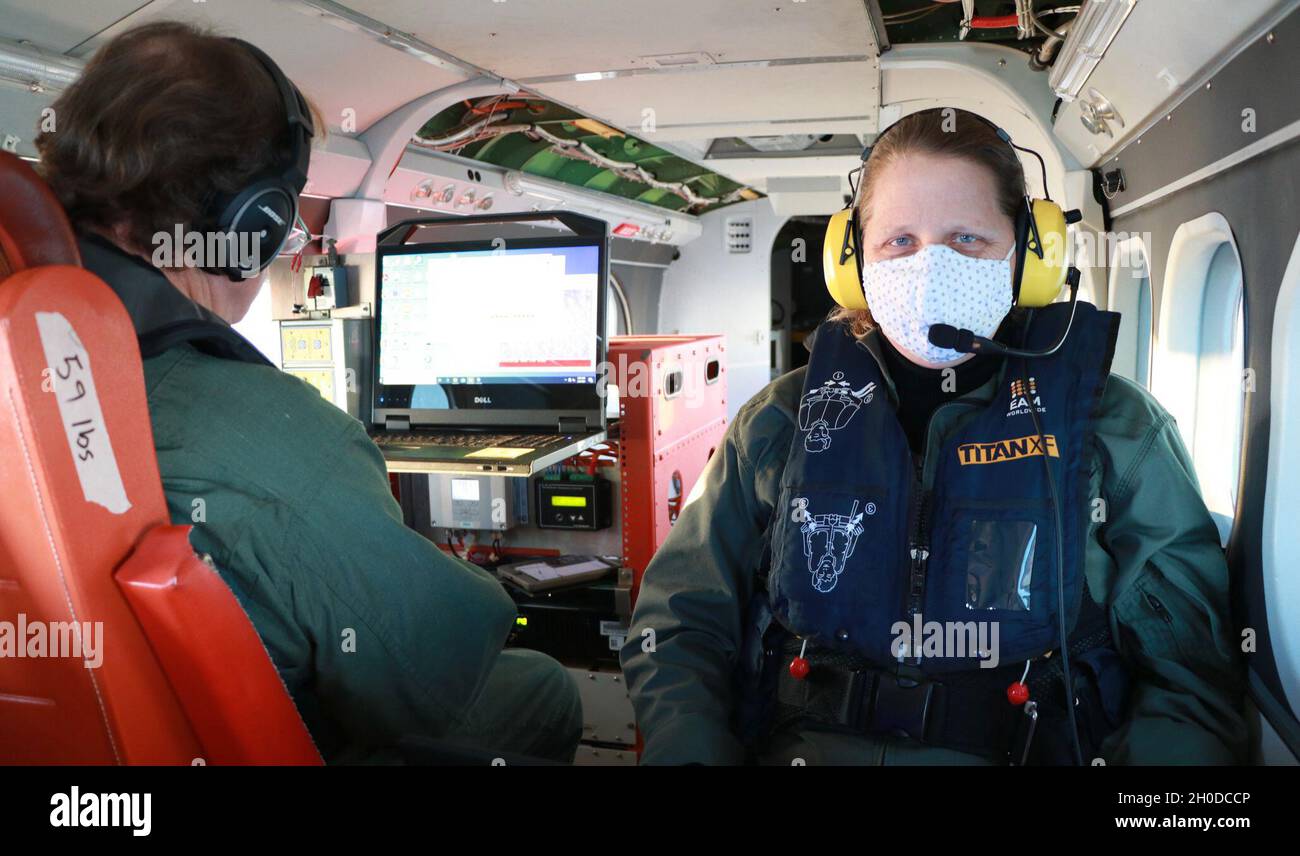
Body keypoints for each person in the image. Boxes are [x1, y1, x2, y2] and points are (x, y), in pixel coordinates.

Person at [620, 107, 1248, 765]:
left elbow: (1188, 677)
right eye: (900, 242)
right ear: (853, 260)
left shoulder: (1117, 430)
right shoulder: (778, 423)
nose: (930, 269)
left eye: (967, 240)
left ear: (1029, 255)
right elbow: (678, 623)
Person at [35, 21, 581, 764]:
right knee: (540, 688)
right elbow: (431, 666)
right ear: (252, 227)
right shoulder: (282, 440)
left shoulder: (30, 375)